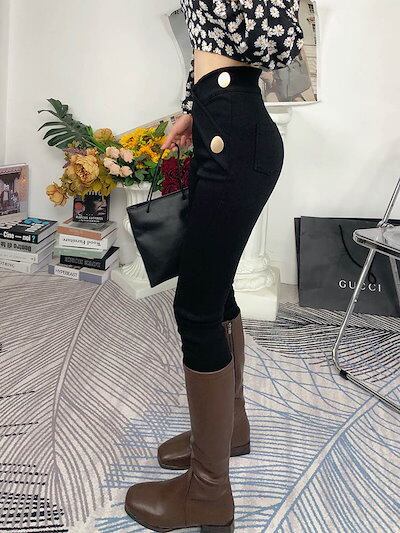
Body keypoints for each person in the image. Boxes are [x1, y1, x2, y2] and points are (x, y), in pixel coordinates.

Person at [125, 1, 304, 531]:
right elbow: (208, 44)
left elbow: (283, 35)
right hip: (217, 120)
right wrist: (192, 107)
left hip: (236, 131)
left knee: (195, 309)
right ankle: (231, 430)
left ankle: (207, 491)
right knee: (216, 292)